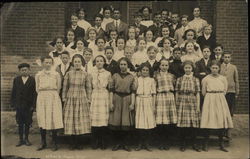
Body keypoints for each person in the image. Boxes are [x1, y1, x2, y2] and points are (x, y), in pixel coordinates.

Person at [201, 60, 234, 152]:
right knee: (208, 120)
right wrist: (210, 96)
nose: (214, 70)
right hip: (209, 99)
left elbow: (225, 90)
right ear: (210, 68)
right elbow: (203, 92)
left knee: (221, 120)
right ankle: (205, 143)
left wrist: (218, 95)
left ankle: (221, 144)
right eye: (213, 68)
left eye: (216, 68)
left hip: (220, 99)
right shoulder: (206, 79)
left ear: (219, 68)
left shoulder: (223, 78)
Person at [62, 54, 92, 150]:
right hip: (71, 98)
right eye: (75, 62)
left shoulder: (85, 74)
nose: (77, 63)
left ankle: (79, 143)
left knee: (79, 120)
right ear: (73, 63)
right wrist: (64, 97)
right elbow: (65, 87)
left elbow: (88, 88)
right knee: (71, 120)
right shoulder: (68, 74)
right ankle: (72, 142)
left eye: (79, 62)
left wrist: (88, 99)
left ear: (81, 63)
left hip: (82, 98)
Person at [35, 56, 63, 151]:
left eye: (49, 62)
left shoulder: (56, 74)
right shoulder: (38, 75)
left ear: (52, 63)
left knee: (53, 118)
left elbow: (58, 88)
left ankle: (55, 142)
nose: (48, 64)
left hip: (53, 96)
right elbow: (37, 88)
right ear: (42, 63)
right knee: (42, 118)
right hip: (42, 96)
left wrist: (53, 95)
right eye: (46, 62)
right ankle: (43, 142)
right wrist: (43, 95)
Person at [109, 57, 136, 152]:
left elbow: (133, 91)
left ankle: (125, 144)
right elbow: (111, 90)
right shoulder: (115, 76)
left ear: (128, 65)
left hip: (127, 99)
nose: (123, 66)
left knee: (126, 122)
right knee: (116, 122)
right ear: (119, 65)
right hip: (116, 98)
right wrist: (110, 102)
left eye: (125, 64)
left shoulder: (131, 77)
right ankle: (117, 143)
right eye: (121, 64)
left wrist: (132, 103)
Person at [175, 60, 201, 152]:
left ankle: (194, 144)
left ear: (192, 68)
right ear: (183, 69)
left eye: (189, 68)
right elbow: (177, 92)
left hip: (192, 102)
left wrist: (198, 106)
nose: (187, 69)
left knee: (193, 124)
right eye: (186, 68)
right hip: (182, 101)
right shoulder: (180, 79)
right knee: (183, 125)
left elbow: (197, 93)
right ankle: (183, 144)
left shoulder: (195, 79)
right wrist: (177, 104)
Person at [11, 63, 36, 147]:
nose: (24, 71)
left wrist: (33, 105)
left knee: (28, 123)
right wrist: (13, 104)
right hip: (19, 105)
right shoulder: (16, 79)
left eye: (26, 70)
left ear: (29, 70)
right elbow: (14, 92)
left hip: (28, 106)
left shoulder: (32, 80)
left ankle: (27, 139)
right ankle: (21, 139)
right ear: (19, 71)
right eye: (22, 70)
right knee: (20, 123)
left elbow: (34, 94)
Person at [90, 55, 112, 150]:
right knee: (95, 117)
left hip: (103, 96)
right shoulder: (91, 73)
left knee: (103, 118)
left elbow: (110, 87)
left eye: (101, 61)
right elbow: (90, 86)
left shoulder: (108, 73)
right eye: (97, 61)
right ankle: (95, 141)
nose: (99, 62)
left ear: (104, 62)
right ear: (95, 63)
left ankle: (103, 141)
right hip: (95, 95)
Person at [155, 58, 177, 150]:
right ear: (159, 66)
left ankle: (167, 142)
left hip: (169, 97)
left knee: (168, 120)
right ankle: (161, 142)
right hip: (160, 97)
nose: (164, 67)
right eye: (162, 65)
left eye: (166, 65)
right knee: (161, 121)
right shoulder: (156, 76)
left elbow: (175, 87)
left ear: (168, 66)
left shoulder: (172, 76)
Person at [134, 63, 156, 151]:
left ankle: (147, 143)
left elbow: (154, 93)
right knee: (140, 122)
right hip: (139, 100)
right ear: (140, 71)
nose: (145, 71)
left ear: (149, 71)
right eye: (143, 70)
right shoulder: (137, 80)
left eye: (147, 70)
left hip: (148, 100)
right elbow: (134, 92)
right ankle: (140, 143)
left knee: (148, 122)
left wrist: (153, 105)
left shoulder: (151, 80)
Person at [220, 52, 239, 139]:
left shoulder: (233, 67)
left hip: (231, 92)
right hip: (222, 92)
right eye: (225, 57)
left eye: (228, 57)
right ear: (223, 58)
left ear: (230, 58)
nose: (227, 58)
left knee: (230, 112)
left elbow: (236, 80)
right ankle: (222, 131)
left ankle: (228, 132)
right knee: (223, 112)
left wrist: (236, 91)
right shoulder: (219, 66)